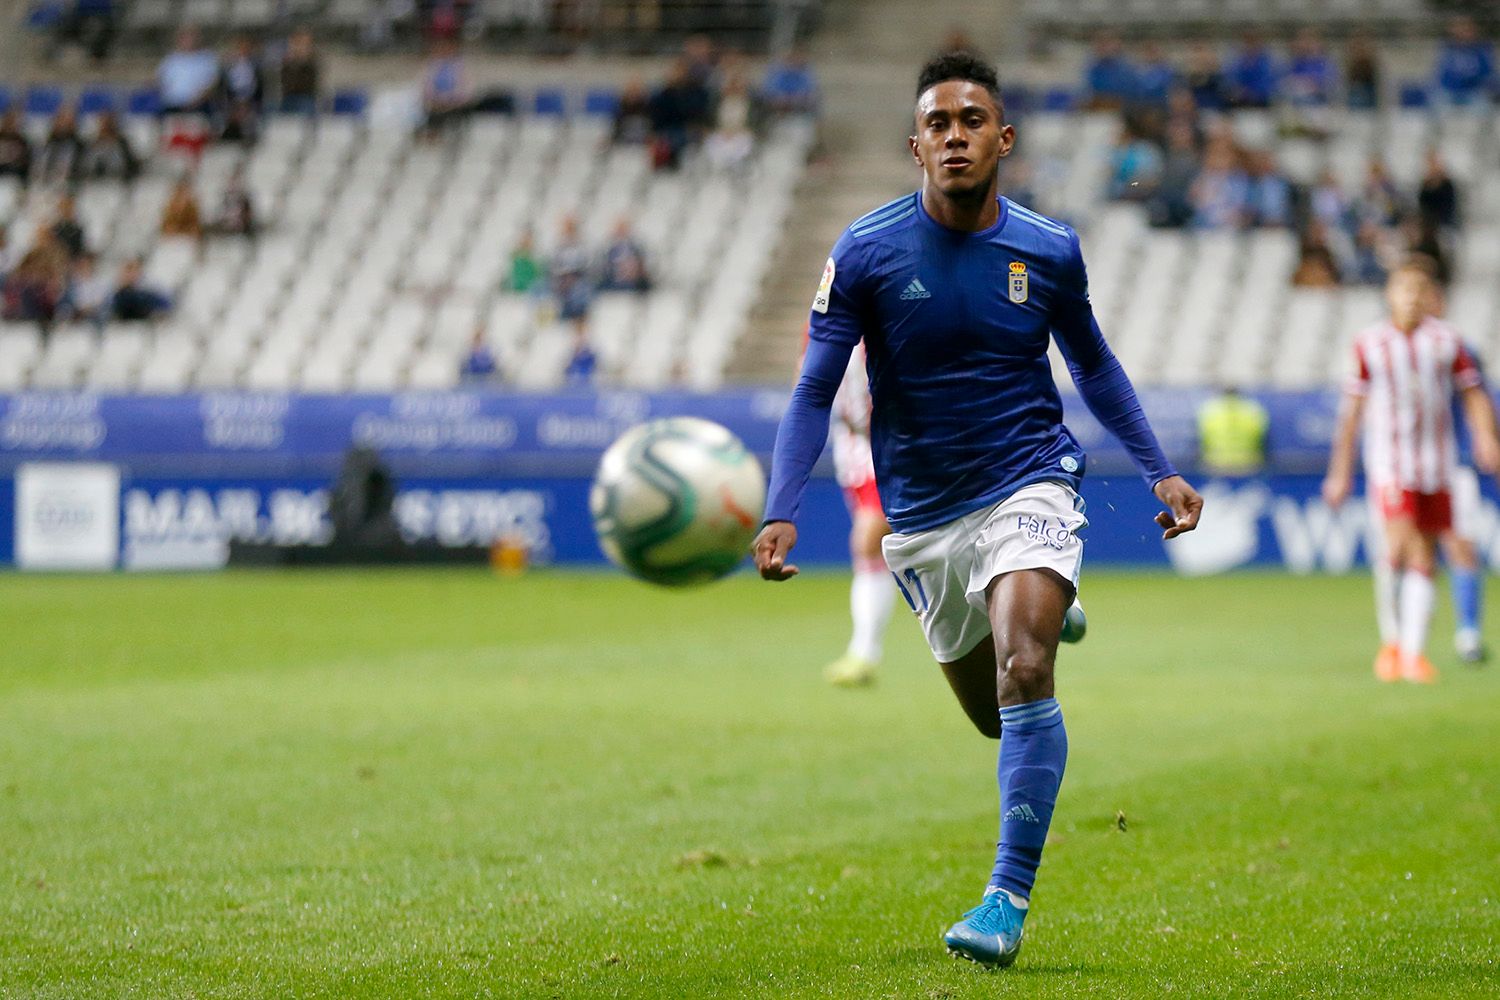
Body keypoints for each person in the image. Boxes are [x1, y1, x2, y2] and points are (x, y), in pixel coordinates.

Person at [751, 51, 1202, 969]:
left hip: (1029, 478)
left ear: (1004, 137)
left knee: (1026, 667)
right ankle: (1038, 599)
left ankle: (1005, 900)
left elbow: (1097, 368)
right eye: (938, 124)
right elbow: (811, 392)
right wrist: (782, 507)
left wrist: (1159, 471)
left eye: (971, 121)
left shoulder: (1047, 248)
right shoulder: (866, 252)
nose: (954, 136)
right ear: (915, 144)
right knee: (995, 718)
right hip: (922, 518)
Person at [1323, 258, 1500, 683]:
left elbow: (1473, 393)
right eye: (1406, 289)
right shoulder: (1370, 344)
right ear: (1390, 294)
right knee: (1402, 545)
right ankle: (1393, 643)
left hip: (1438, 467)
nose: (1413, 298)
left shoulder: (1447, 341)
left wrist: (1485, 437)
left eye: (1421, 290)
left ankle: (1411, 655)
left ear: (1431, 297)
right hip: (1389, 465)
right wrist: (1340, 470)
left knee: (1426, 554)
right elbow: (1352, 413)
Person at [822, 341, 895, 688]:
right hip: (852, 446)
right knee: (873, 545)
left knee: (870, 538)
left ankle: (864, 651)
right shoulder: (825, 315)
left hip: (894, 439)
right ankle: (864, 650)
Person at [1197, 386, 1268, 477]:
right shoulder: (1253, 409)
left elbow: (1202, 437)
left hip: (1216, 463)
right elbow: (1261, 436)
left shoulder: (1209, 409)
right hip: (1248, 463)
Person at [158, 27, 221, 116]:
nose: (188, 41)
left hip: (198, 105)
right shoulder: (171, 59)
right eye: (184, 38)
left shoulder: (207, 58)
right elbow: (161, 82)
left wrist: (196, 102)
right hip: (172, 105)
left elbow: (212, 84)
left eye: (191, 37)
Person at [1435, 16, 1494, 108]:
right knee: (1437, 105)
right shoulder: (1448, 51)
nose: (1463, 34)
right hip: (1450, 91)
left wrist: (1472, 80)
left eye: (1467, 31)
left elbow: (1487, 72)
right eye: (1460, 31)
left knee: (1483, 109)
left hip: (1474, 91)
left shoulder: (1482, 51)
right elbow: (1442, 74)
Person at [79, 111, 140, 181]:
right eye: (103, 123)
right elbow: (85, 165)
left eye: (107, 123)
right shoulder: (91, 143)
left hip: (118, 182)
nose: (105, 126)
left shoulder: (122, 143)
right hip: (94, 183)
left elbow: (130, 165)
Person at [762, 46, 819, 118]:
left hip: (799, 112)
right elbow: (769, 91)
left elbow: (810, 93)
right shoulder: (778, 72)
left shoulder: (806, 74)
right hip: (777, 112)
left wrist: (794, 100)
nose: (797, 60)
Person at [1083, 32, 1135, 111]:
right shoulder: (1093, 67)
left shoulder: (1125, 67)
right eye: (1100, 44)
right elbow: (1087, 90)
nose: (1103, 47)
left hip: (1120, 107)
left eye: (1107, 44)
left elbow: (1128, 91)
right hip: (1097, 106)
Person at [599, 220, 651, 293]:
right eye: (619, 229)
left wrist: (632, 270)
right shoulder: (610, 249)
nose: (620, 232)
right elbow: (607, 268)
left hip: (633, 283)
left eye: (623, 229)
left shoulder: (635, 247)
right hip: (614, 283)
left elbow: (641, 267)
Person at [279, 29, 322, 115]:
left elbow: (308, 65)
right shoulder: (288, 58)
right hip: (288, 96)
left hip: (306, 96)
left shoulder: (311, 57)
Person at [0, 110, 32, 185]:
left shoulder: (22, 141)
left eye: (14, 121)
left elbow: (26, 164)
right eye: (8, 120)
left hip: (13, 178)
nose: (11, 124)